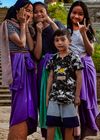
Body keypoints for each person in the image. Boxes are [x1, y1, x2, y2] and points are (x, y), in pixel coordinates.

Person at [0, 0, 38, 139]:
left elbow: (31, 47)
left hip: (28, 64)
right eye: (26, 10)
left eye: (31, 11)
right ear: (17, 11)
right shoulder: (8, 24)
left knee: (29, 100)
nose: (29, 13)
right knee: (21, 101)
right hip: (17, 64)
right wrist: (23, 24)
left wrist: (26, 26)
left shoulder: (27, 26)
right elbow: (21, 43)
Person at [33, 2, 65, 139]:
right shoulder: (34, 29)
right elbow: (37, 55)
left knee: (60, 98)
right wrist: (39, 33)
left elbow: (63, 39)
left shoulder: (55, 23)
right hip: (43, 68)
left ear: (46, 11)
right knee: (45, 101)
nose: (39, 14)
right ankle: (48, 135)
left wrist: (50, 21)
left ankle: (63, 133)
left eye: (42, 11)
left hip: (59, 65)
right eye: (36, 12)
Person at [67, 1, 98, 139]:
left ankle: (84, 133)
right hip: (71, 69)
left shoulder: (88, 30)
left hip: (86, 66)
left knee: (86, 102)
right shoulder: (66, 31)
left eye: (80, 14)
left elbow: (91, 51)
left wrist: (84, 33)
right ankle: (74, 133)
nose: (76, 16)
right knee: (73, 101)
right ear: (70, 14)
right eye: (74, 13)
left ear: (84, 16)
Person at [46, 29, 83, 140]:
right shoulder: (53, 58)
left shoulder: (74, 58)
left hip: (69, 98)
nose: (59, 42)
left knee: (69, 126)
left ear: (69, 41)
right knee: (51, 124)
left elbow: (79, 77)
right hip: (54, 97)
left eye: (63, 39)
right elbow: (50, 77)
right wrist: (47, 95)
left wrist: (77, 96)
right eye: (56, 40)